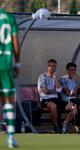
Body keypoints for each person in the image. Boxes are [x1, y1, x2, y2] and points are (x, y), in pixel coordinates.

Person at [37, 59, 76, 134]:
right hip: (46, 99)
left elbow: (59, 89)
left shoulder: (56, 77)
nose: (52, 68)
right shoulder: (43, 76)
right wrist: (54, 91)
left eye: (53, 66)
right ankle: (56, 127)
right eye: (50, 66)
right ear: (47, 67)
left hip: (56, 99)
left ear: (56, 68)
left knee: (74, 107)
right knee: (53, 106)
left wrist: (55, 79)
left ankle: (63, 125)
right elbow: (45, 90)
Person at [0, 9, 20, 148]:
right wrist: (17, 63)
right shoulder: (9, 17)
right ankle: (11, 136)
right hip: (5, 64)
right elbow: (15, 44)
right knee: (7, 100)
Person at [59, 63, 80, 134]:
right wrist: (76, 92)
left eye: (74, 70)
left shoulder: (75, 81)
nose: (73, 72)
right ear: (67, 70)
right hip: (68, 100)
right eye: (71, 70)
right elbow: (67, 92)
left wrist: (78, 79)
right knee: (76, 108)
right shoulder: (63, 79)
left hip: (77, 98)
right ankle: (63, 125)